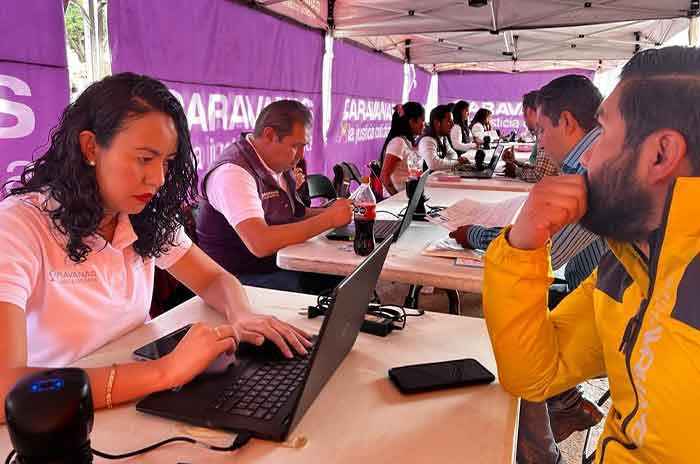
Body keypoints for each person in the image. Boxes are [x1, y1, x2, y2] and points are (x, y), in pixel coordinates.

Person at [0, 73, 311, 423]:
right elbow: (4, 391)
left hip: (136, 399)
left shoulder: (140, 214)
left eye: (165, 162)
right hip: (62, 419)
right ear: (90, 148)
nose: (158, 179)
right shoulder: (19, 226)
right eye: (144, 159)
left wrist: (242, 315)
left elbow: (213, 280)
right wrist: (166, 372)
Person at [483, 46, 700, 463]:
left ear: (660, 155)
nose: (586, 156)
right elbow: (534, 375)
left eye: (602, 136)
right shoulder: (627, 263)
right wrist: (521, 246)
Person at [452, 75, 608, 463]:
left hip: (590, 302)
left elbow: (549, 248)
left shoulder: (595, 174)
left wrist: (492, 236)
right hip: (592, 296)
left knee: (524, 341)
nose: (538, 141)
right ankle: (561, 412)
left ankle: (544, 446)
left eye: (540, 130)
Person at [197, 100, 353, 293]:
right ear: (269, 135)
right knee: (327, 283)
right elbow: (260, 243)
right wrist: (328, 219)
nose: (301, 155)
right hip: (236, 281)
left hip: (273, 265)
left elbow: (294, 216)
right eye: (296, 146)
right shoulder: (232, 173)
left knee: (341, 274)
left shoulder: (275, 163)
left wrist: (332, 212)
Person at [501, 90, 559, 183]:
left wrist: (516, 170)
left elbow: (540, 176)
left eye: (523, 112)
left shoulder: (546, 133)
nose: (524, 118)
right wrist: (515, 163)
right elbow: (542, 170)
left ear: (529, 111)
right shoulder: (548, 130)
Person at [379, 102, 425, 195]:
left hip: (407, 197)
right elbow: (384, 177)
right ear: (412, 121)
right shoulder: (398, 142)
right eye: (422, 120)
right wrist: (395, 197)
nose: (424, 124)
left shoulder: (406, 142)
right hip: (396, 202)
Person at [418, 105, 470, 171]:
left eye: (452, 121)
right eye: (449, 121)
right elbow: (433, 165)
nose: (452, 124)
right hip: (426, 180)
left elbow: (452, 154)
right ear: (437, 123)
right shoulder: (427, 140)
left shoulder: (443, 138)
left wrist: (455, 161)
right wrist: (457, 162)